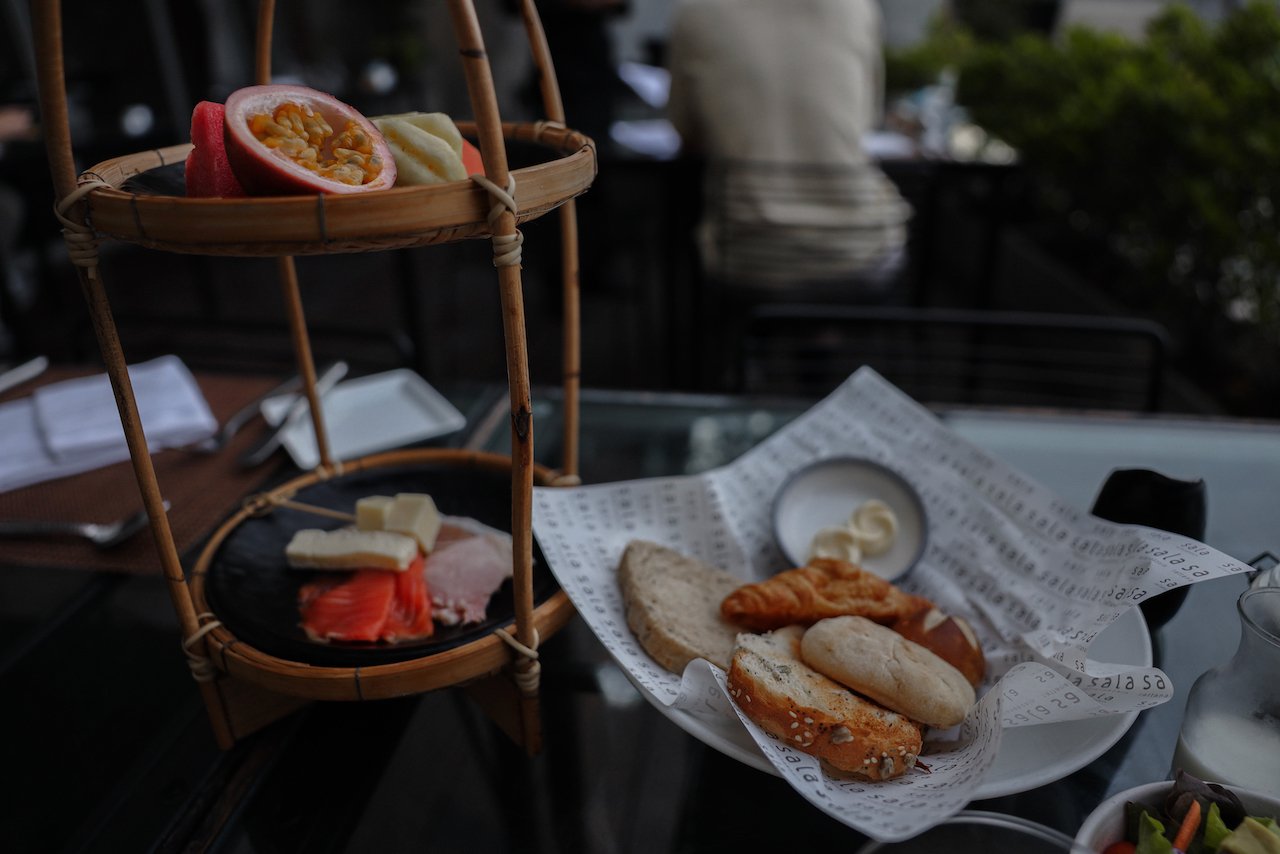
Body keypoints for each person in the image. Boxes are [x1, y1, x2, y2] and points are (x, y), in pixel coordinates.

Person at [666, 0, 911, 293]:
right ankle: (827, 335)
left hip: (749, 249)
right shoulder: (856, 6)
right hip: (860, 242)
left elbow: (687, 133)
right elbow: (867, 117)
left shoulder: (696, 12)